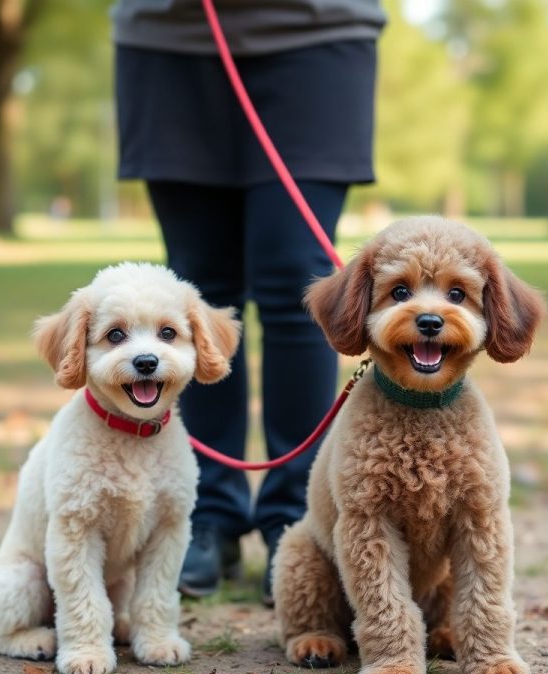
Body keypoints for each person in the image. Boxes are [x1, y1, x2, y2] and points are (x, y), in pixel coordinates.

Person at [112, 0, 385, 604]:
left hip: (315, 38)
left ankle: (297, 516)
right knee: (197, 292)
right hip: (172, 39)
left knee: (297, 282)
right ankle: (209, 512)